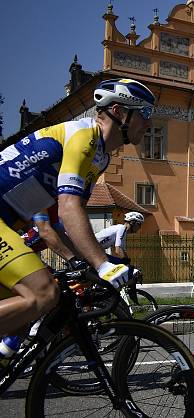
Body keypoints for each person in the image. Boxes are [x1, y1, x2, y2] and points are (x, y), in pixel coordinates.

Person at [0, 78, 153, 341]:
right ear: (118, 111)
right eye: (145, 113)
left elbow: (63, 221)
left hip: (8, 222)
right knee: (43, 293)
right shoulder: (84, 137)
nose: (148, 123)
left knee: (26, 313)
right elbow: (68, 208)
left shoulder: (100, 157)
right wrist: (101, 263)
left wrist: (84, 262)